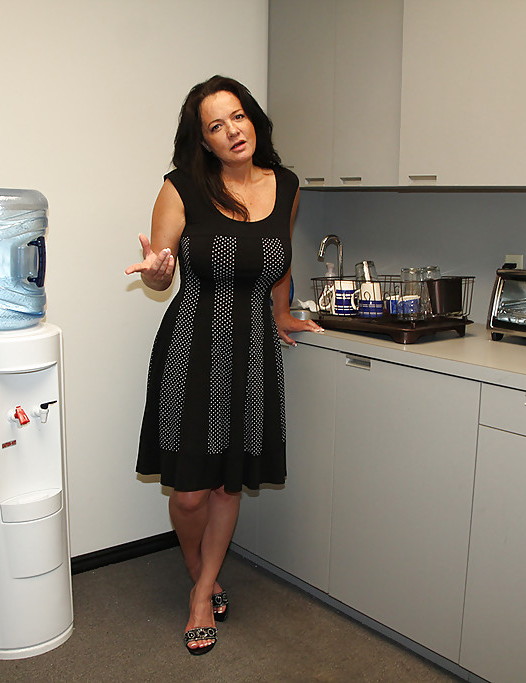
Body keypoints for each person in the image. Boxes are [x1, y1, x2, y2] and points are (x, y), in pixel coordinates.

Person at [125, 75, 322, 655]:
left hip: (252, 352)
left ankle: (202, 592)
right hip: (191, 345)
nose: (233, 131)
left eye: (238, 116)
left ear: (253, 119)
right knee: (190, 492)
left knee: (226, 482)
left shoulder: (286, 185)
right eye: (216, 125)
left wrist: (282, 314)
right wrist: (158, 274)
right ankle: (198, 570)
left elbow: (279, 258)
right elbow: (160, 269)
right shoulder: (181, 187)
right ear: (203, 140)